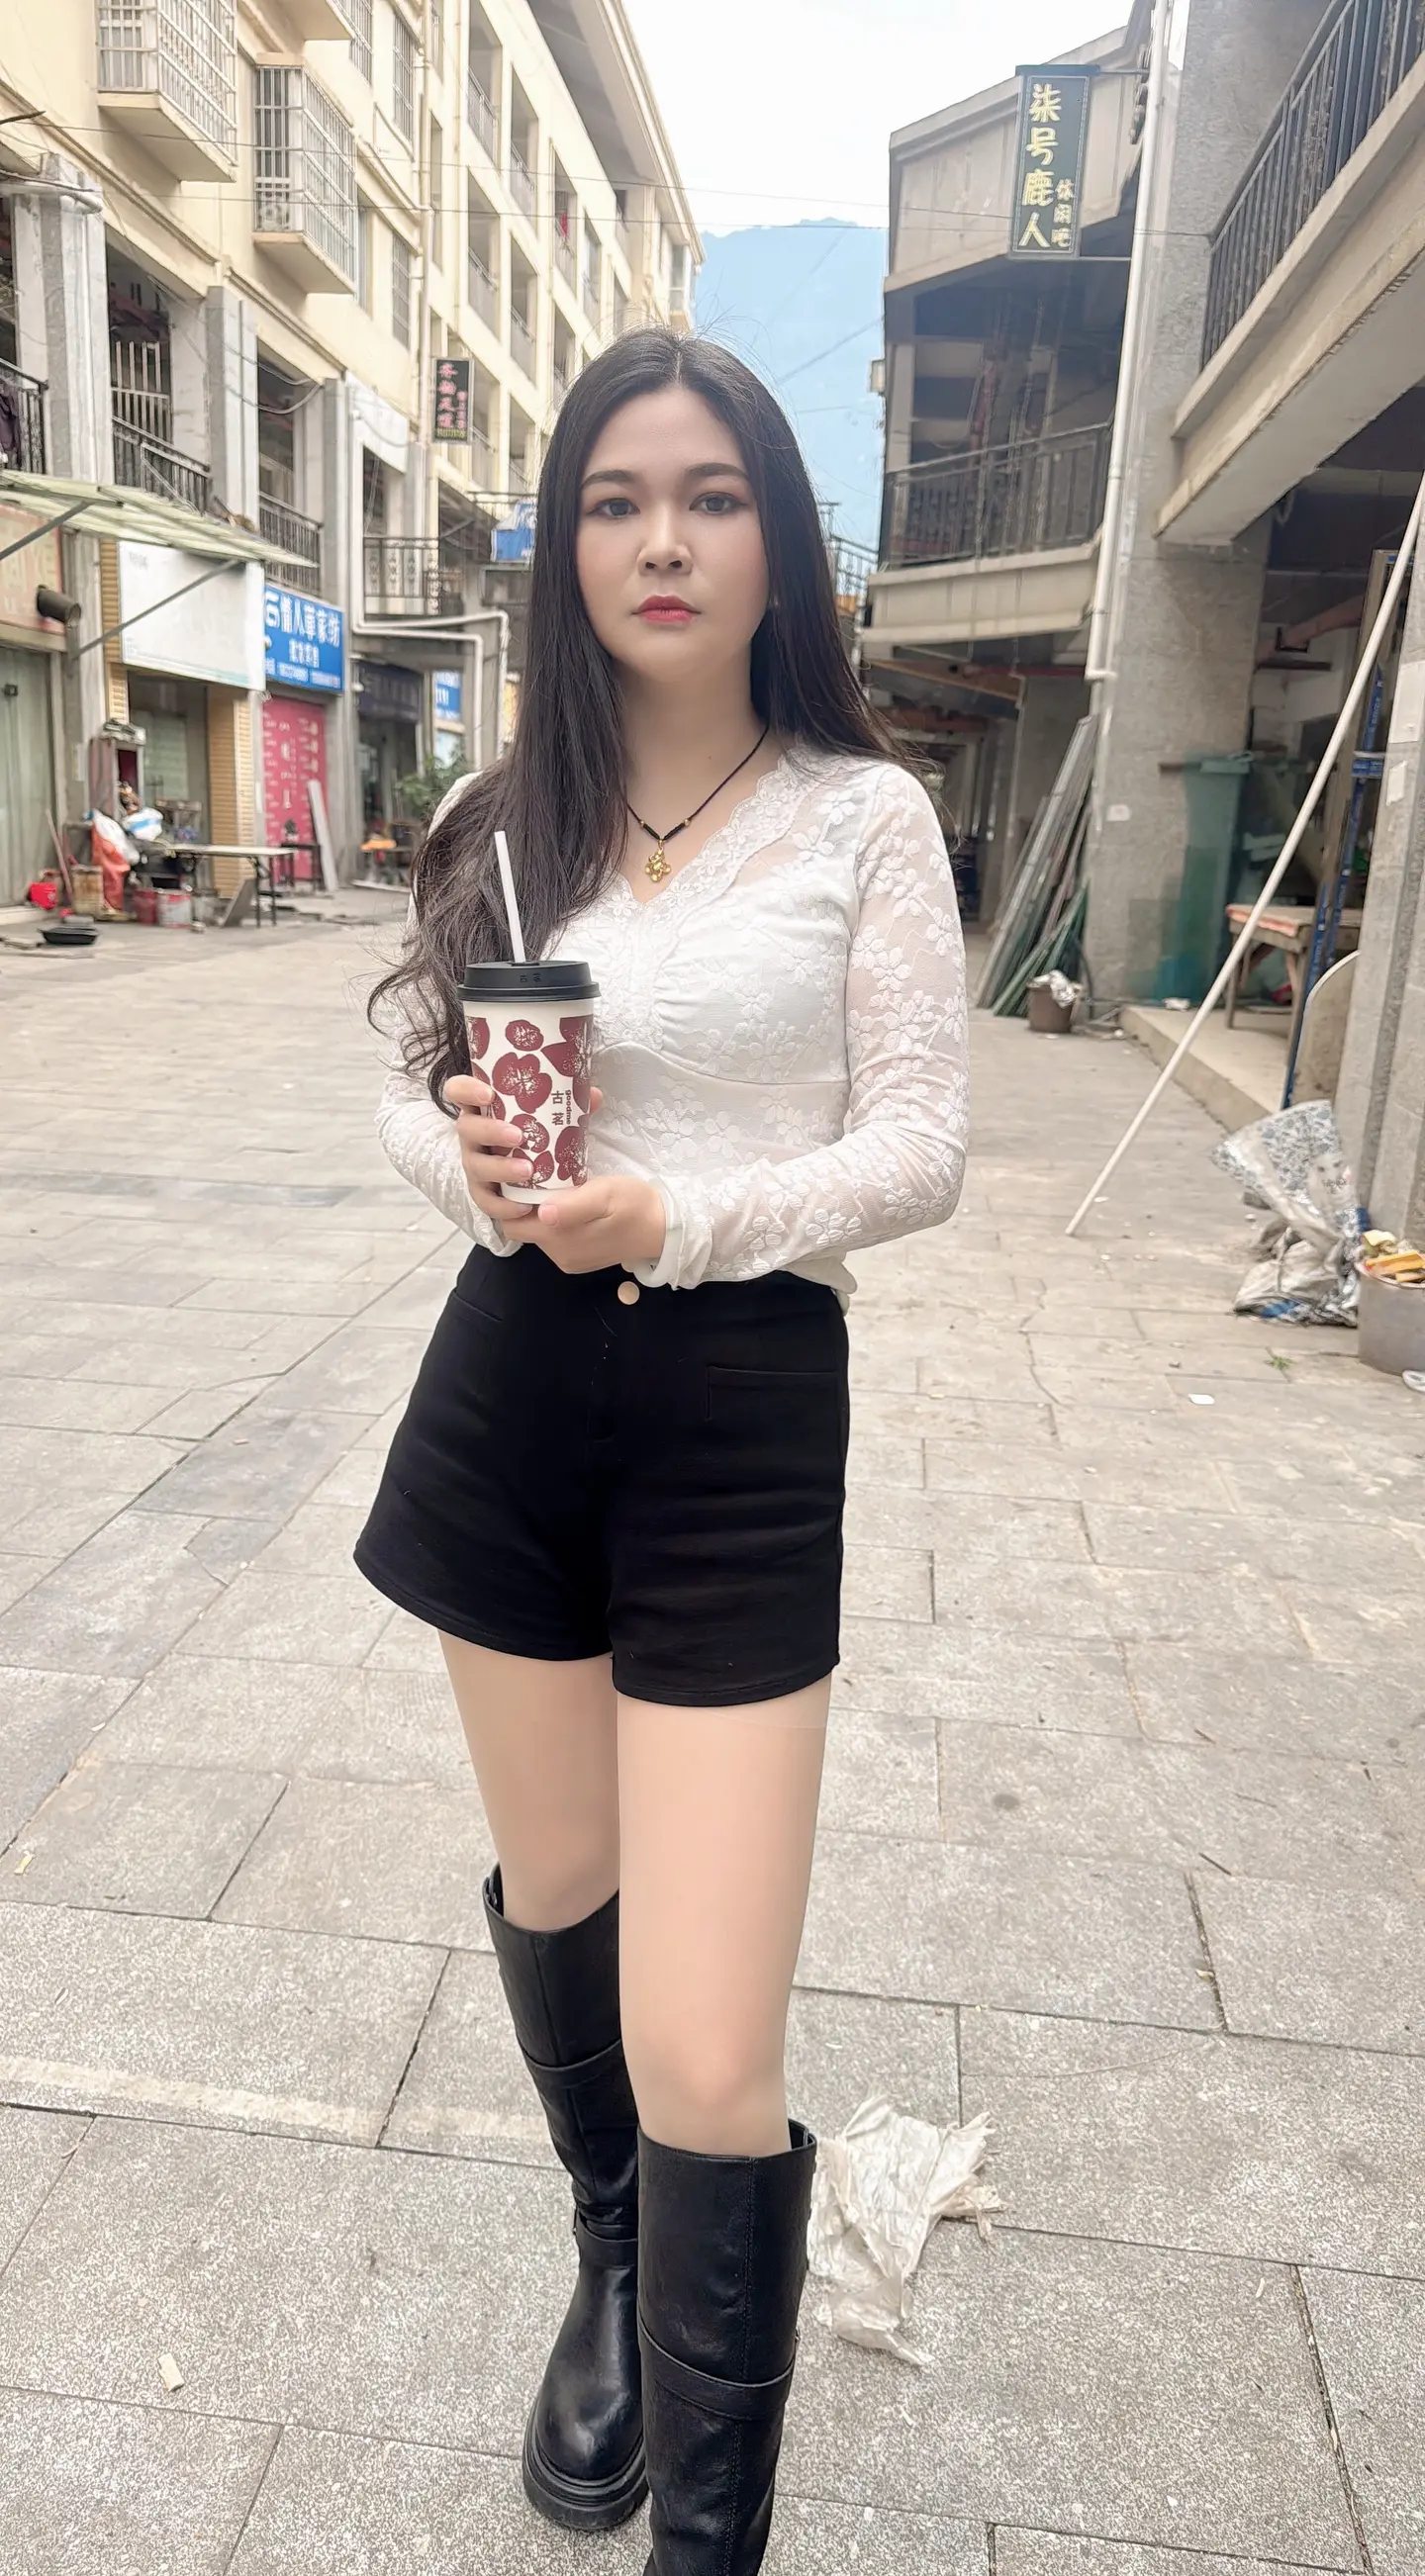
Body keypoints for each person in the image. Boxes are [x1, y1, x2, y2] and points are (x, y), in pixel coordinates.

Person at [354, 328, 969, 2575]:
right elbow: (411, 1095)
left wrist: (679, 1219)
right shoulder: (493, 824)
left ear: (779, 537)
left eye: (711, 495)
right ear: (565, 547)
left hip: (738, 1412)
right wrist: (471, 1169)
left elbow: (922, 1148)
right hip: (509, 1398)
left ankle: (713, 2539)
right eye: (615, 500)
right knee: (561, 1892)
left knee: (712, 2045)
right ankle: (613, 2255)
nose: (664, 541)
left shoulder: (863, 817)